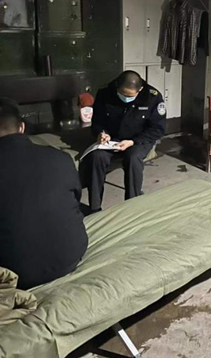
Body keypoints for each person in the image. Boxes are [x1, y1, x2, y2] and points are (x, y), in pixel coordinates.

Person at [0, 98, 88, 289]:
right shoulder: (59, 157)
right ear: (22, 127)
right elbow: (75, 198)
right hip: (70, 255)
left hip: (14, 272)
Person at [81, 71, 166, 212]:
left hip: (139, 139)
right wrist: (101, 133)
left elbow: (157, 129)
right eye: (122, 94)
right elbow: (97, 122)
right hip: (112, 139)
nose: (126, 98)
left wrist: (132, 142)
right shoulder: (105, 93)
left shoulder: (152, 97)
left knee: (133, 158)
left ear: (140, 89)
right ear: (116, 86)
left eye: (130, 96)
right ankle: (95, 208)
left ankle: (131, 206)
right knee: (97, 157)